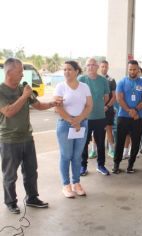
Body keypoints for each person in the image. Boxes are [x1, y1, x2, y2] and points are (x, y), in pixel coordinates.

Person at [0, 58, 61, 214]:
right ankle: (11, 202)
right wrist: (23, 97)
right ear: (9, 72)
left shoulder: (23, 88)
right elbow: (8, 112)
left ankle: (32, 198)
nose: (22, 75)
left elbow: (38, 105)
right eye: (19, 72)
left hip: (27, 138)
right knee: (10, 175)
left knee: (31, 171)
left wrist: (52, 103)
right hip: (9, 140)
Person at [54, 61, 93, 198]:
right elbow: (57, 107)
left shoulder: (84, 87)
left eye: (69, 69)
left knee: (77, 156)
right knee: (66, 156)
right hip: (65, 125)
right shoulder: (60, 87)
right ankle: (66, 185)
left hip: (82, 124)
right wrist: (72, 120)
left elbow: (89, 106)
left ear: (77, 71)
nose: (66, 72)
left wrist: (79, 119)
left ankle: (76, 183)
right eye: (64, 69)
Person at [112, 60, 142, 174]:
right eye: (130, 69)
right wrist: (129, 110)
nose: (132, 71)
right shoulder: (122, 82)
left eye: (134, 69)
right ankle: (116, 165)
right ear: (128, 70)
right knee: (120, 141)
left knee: (136, 141)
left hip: (138, 117)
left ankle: (130, 165)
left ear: (138, 70)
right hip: (123, 116)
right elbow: (119, 98)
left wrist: (136, 110)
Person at [78, 58, 110, 176]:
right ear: (86, 67)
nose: (91, 67)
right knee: (84, 143)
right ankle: (83, 166)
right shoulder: (81, 79)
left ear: (97, 67)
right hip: (85, 117)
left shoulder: (103, 80)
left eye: (93, 65)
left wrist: (99, 104)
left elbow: (106, 97)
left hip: (100, 116)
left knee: (100, 142)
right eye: (88, 65)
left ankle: (101, 165)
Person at [100, 60, 117, 158]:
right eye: (102, 66)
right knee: (96, 130)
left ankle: (111, 149)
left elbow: (114, 96)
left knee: (109, 129)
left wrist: (107, 106)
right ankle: (94, 149)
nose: (104, 68)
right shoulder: (95, 79)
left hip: (108, 109)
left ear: (108, 67)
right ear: (99, 67)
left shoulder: (111, 80)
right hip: (97, 110)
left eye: (106, 67)